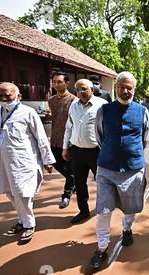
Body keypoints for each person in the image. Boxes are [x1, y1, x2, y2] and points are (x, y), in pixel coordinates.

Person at [0, 83, 55, 243]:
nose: (4, 99)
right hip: (3, 162)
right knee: (10, 193)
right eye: (0, 96)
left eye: (8, 95)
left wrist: (48, 160)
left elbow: (41, 138)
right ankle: (22, 219)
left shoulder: (28, 112)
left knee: (22, 193)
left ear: (18, 96)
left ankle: (29, 224)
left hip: (24, 162)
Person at [89, 71, 149, 269]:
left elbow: (144, 138)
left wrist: (130, 153)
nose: (125, 91)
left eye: (129, 88)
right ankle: (102, 247)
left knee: (131, 208)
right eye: (121, 87)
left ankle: (127, 229)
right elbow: (99, 136)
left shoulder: (142, 111)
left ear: (134, 89)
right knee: (103, 210)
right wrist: (112, 151)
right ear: (116, 88)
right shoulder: (104, 110)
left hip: (133, 168)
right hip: (106, 167)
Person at [63, 79, 107, 224]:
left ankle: (103, 208)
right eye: (77, 90)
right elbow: (69, 127)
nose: (80, 92)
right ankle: (83, 211)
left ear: (92, 90)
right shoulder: (73, 106)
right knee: (80, 183)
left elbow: (110, 128)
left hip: (97, 152)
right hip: (76, 152)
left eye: (83, 89)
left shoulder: (102, 105)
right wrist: (65, 147)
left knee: (102, 182)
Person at [48, 71, 76, 209]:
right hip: (55, 139)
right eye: (54, 82)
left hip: (69, 141)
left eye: (59, 81)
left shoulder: (74, 100)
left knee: (70, 169)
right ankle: (74, 180)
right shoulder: (51, 100)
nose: (56, 84)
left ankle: (66, 195)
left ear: (67, 83)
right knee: (55, 164)